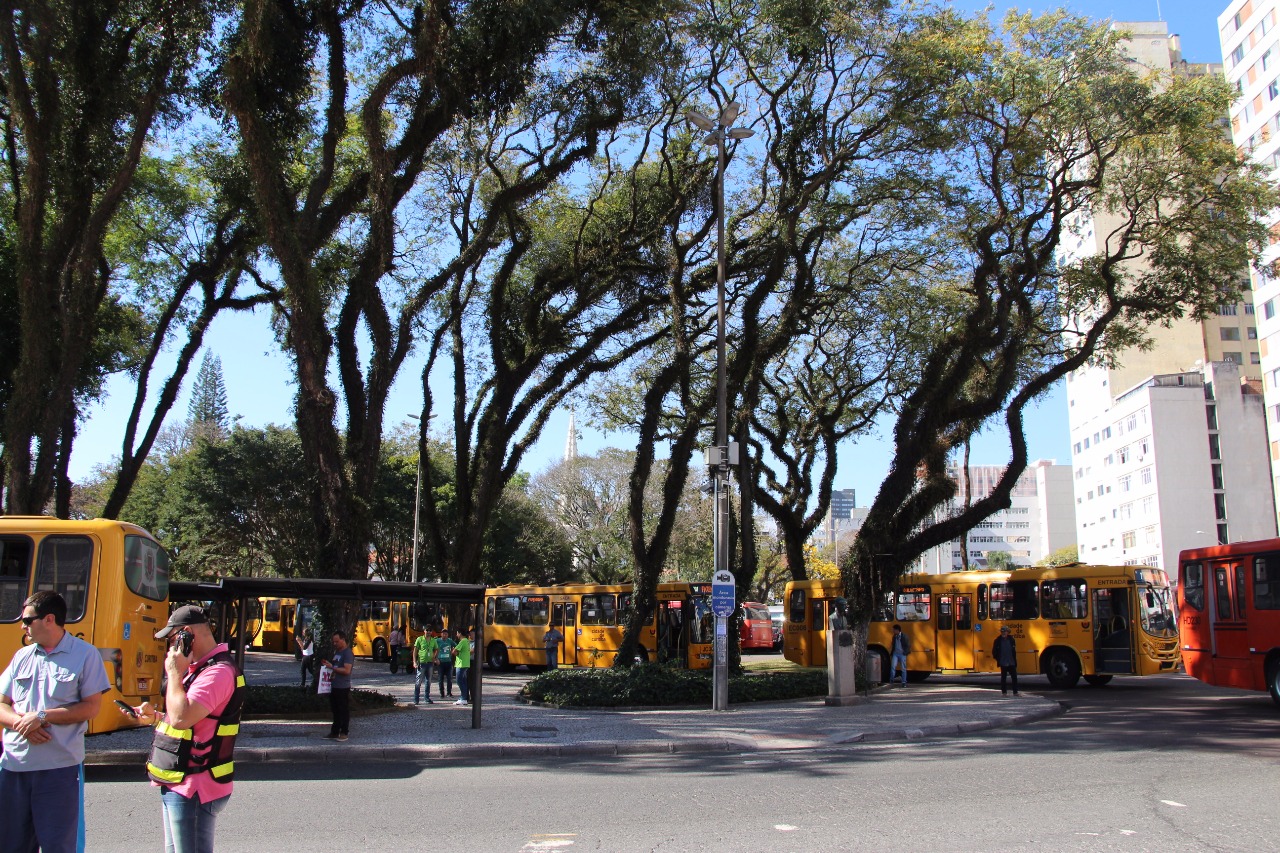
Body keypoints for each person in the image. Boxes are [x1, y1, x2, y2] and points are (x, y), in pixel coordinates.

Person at [0, 591, 111, 853]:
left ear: (49, 619)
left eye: (28, 620)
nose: (23, 626)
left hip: (59, 770)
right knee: (9, 845)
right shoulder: (22, 656)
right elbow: (2, 704)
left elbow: (91, 707)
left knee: (59, 846)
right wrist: (20, 723)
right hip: (14, 768)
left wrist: (41, 717)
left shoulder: (85, 654)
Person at [128, 605, 244, 853]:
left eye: (172, 639)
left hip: (195, 786)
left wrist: (173, 673)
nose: (170, 648)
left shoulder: (217, 673)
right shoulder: (202, 669)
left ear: (187, 634)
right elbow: (194, 720)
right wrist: (157, 717)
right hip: (180, 781)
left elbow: (182, 718)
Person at [319, 631, 354, 740]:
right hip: (334, 685)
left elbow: (347, 670)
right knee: (335, 710)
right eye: (334, 642)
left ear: (343, 640)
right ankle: (334, 731)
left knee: (343, 709)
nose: (335, 644)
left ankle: (344, 732)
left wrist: (332, 667)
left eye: (337, 641)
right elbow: (335, 666)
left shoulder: (347, 653)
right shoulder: (338, 652)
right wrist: (328, 665)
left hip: (342, 686)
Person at [993, 625, 1019, 696]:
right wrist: (998, 658)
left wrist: (1014, 659)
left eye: (1005, 631)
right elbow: (994, 651)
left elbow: (1014, 651)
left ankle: (1015, 692)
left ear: (1008, 632)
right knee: (1003, 678)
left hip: (1011, 661)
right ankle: (1004, 692)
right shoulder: (997, 640)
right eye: (1002, 631)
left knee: (1014, 677)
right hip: (1003, 662)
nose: (1003, 633)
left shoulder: (1011, 640)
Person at [413, 628, 437, 705]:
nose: (428, 632)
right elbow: (415, 651)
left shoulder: (433, 640)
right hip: (422, 663)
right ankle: (416, 699)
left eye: (430, 630)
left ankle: (426, 698)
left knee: (428, 681)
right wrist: (414, 661)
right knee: (418, 681)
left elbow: (436, 649)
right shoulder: (419, 639)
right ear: (424, 631)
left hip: (430, 663)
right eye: (427, 630)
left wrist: (434, 657)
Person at [453, 627, 472, 705]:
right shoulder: (467, 641)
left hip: (461, 664)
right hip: (466, 663)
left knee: (459, 681)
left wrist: (454, 651)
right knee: (463, 681)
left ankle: (464, 698)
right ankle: (463, 697)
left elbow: (454, 651)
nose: (457, 634)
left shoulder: (462, 641)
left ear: (460, 633)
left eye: (457, 633)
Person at [436, 629, 455, 699]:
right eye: (443, 634)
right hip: (440, 662)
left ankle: (449, 692)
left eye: (446, 634)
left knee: (449, 678)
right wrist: (435, 658)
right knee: (440, 679)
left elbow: (455, 646)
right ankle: (442, 693)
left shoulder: (450, 641)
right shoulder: (437, 641)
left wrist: (453, 651)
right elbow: (433, 648)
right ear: (441, 634)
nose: (445, 635)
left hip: (448, 662)